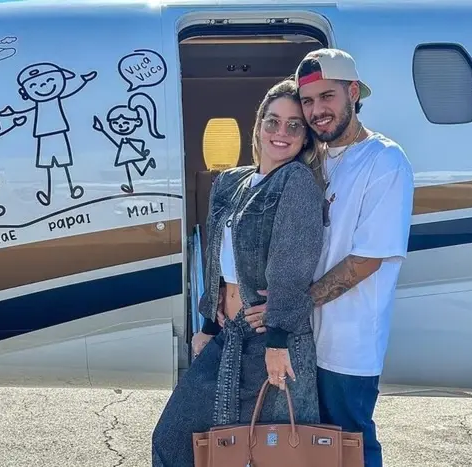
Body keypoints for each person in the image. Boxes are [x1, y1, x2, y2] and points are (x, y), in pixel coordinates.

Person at [242, 48, 415, 467]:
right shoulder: (312, 158)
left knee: (349, 445)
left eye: (327, 96)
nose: (316, 110)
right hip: (302, 340)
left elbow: (366, 261)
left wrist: (292, 306)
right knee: (303, 448)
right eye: (307, 100)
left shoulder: (384, 160)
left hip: (347, 345)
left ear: (352, 92)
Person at [151, 78, 326, 467]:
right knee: (175, 439)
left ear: (305, 138)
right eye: (273, 121)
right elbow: (214, 257)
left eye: (294, 125)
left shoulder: (295, 181)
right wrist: (208, 326)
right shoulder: (231, 182)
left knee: (260, 455)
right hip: (227, 333)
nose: (281, 132)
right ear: (259, 124)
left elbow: (291, 263)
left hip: (268, 340)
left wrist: (278, 342)